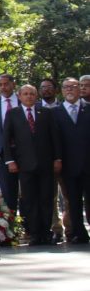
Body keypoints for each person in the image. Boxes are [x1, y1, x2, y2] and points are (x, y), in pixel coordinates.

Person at [4, 84, 62, 246]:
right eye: (25, 94)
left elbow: (54, 137)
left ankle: (46, 232)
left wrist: (57, 158)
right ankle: (34, 233)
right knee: (30, 200)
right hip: (24, 165)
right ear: (19, 96)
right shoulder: (12, 114)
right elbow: (7, 139)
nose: (29, 96)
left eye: (32, 94)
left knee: (46, 198)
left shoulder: (46, 113)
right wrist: (10, 160)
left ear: (36, 96)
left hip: (45, 164)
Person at [58, 78, 90, 244]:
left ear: (79, 90)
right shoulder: (55, 112)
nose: (70, 90)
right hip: (68, 165)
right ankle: (79, 233)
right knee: (73, 202)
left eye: (73, 87)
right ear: (62, 91)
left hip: (88, 164)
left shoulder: (88, 109)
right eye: (66, 87)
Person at [0, 74, 20, 211]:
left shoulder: (23, 100)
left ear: (13, 84)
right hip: (2, 153)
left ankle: (30, 226)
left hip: (25, 152)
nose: (3, 87)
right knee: (8, 191)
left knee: (28, 190)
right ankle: (12, 224)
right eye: (0, 84)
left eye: (6, 84)